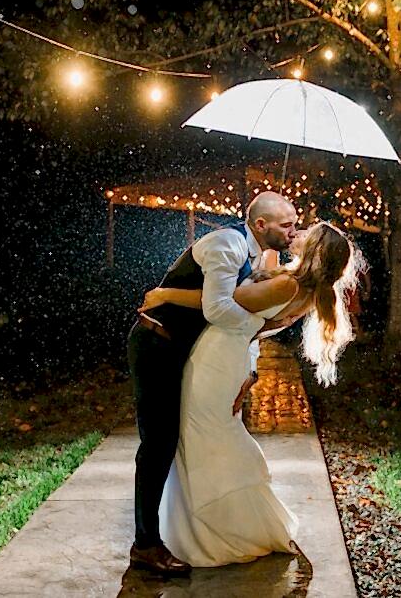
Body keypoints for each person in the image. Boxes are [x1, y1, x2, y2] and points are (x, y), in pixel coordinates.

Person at [139, 220, 361, 567]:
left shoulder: (289, 284)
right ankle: (218, 521)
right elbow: (258, 315)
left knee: (206, 434)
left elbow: (224, 302)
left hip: (217, 357)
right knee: (209, 434)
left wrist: (166, 294)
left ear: (315, 249)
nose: (298, 233)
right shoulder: (301, 287)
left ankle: (221, 528)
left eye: (307, 233)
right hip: (230, 357)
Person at [126, 191, 298, 575]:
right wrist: (264, 324)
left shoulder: (256, 255)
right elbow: (217, 308)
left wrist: (249, 368)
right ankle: (145, 545)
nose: (293, 231)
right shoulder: (227, 244)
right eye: (286, 225)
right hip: (156, 344)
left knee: (170, 441)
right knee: (158, 445)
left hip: (178, 347)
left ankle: (167, 530)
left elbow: (232, 309)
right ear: (260, 225)